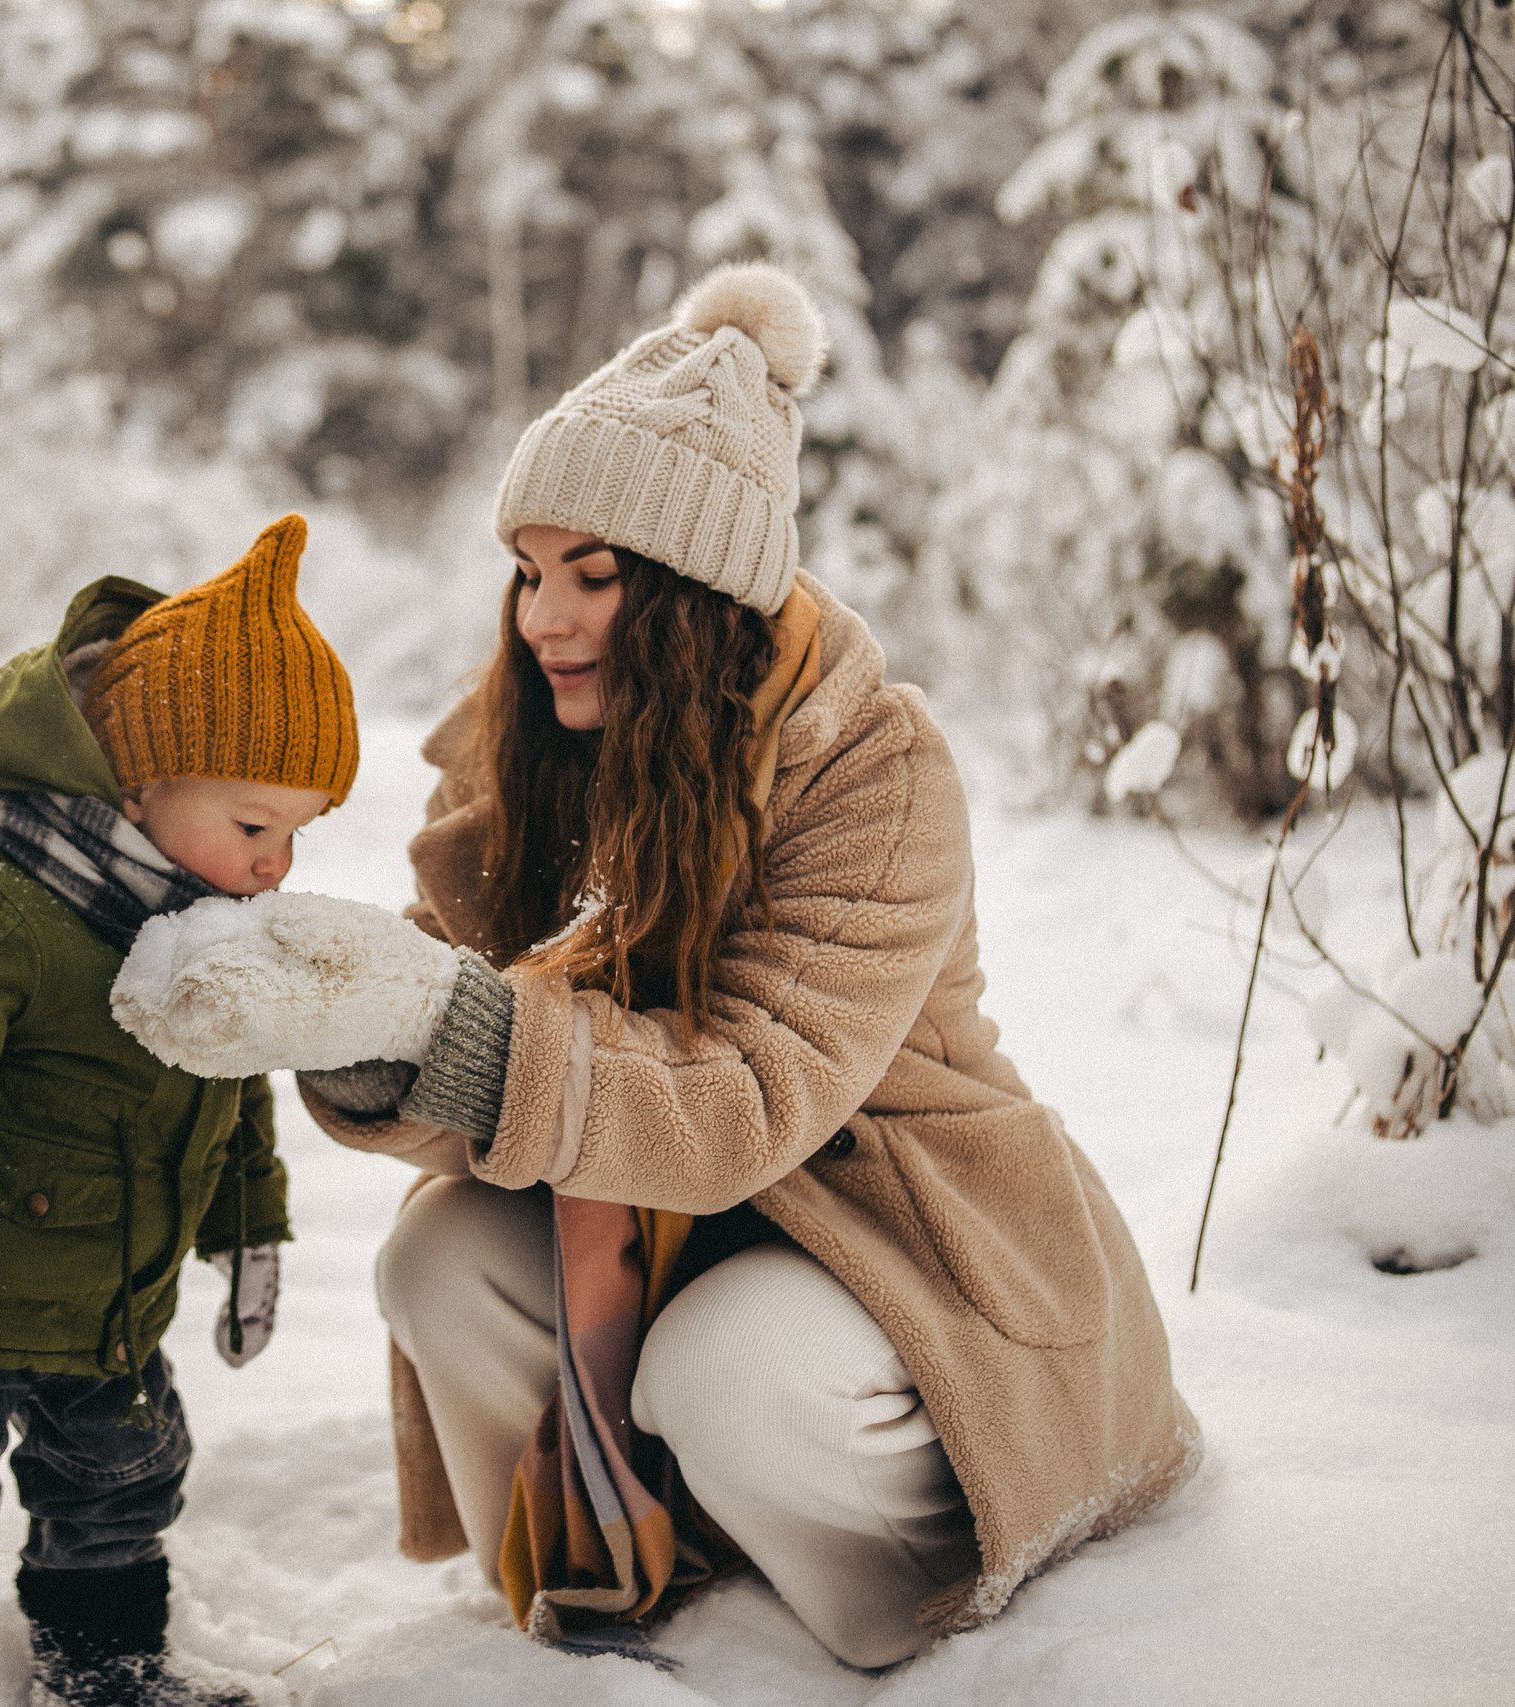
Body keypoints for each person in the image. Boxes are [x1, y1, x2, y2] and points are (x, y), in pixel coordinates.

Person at [110, 264, 1200, 1671]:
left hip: (893, 1230)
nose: (541, 618)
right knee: (439, 1259)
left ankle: (906, 1625)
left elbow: (752, 1095)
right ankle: (608, 1597)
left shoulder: (876, 767)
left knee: (727, 1369)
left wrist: (438, 1013)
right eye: (528, 571)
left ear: (698, 591)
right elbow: (471, 1063)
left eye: (595, 574)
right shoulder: (536, 755)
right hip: (665, 1232)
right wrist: (351, 1011)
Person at [0, 516, 353, 1707]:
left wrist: (250, 1233)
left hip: (111, 1313)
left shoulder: (200, 938)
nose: (275, 867)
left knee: (122, 1494)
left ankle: (103, 1669)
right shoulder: (4, 901)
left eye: (297, 835)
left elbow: (231, 1100)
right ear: (134, 785)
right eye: (254, 827)